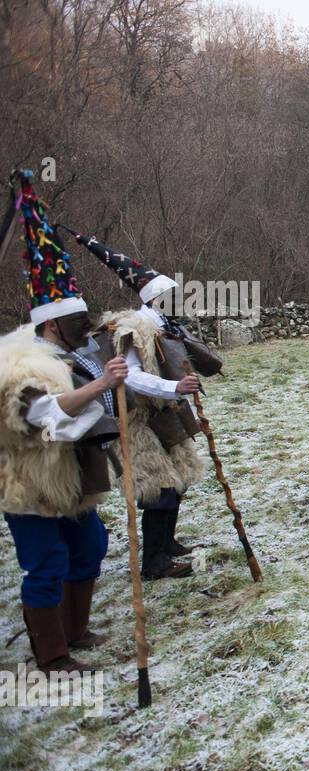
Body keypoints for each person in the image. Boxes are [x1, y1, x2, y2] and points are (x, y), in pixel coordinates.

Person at [0, 170, 126, 672]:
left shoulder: (74, 355)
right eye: (77, 321)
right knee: (46, 563)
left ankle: (76, 630)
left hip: (73, 480)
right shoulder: (22, 365)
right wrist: (100, 387)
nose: (85, 327)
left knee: (91, 545)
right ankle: (52, 654)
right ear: (52, 322)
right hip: (32, 485)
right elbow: (43, 418)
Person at [68, 229, 205, 579]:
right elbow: (129, 376)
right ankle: (154, 562)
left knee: (179, 479)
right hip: (138, 419)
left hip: (163, 413)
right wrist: (174, 386)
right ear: (157, 298)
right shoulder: (134, 331)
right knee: (158, 485)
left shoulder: (166, 327)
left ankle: (167, 543)